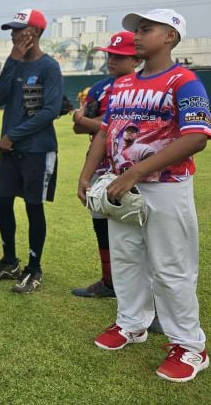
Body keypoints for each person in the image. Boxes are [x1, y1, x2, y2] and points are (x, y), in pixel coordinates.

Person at [78, 9, 209, 383]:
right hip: (122, 186)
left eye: (146, 29)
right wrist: (88, 174)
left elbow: (196, 137)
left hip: (166, 187)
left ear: (170, 36)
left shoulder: (184, 81)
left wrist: (135, 171)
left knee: (171, 267)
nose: (137, 34)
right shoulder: (122, 85)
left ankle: (190, 346)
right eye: (137, 29)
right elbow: (105, 133)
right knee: (127, 260)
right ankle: (131, 324)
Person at [0, 9, 62, 294]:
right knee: (3, 202)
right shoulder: (14, 62)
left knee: (33, 207)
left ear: (36, 32)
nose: (14, 35)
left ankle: (34, 268)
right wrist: (13, 59)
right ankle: (9, 262)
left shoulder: (49, 67)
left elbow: (51, 110)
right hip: (10, 151)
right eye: (12, 30)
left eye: (19, 29)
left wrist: (12, 136)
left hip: (37, 150)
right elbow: (0, 97)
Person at [71, 32, 141, 298]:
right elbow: (79, 127)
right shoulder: (100, 87)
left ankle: (141, 292)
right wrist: (97, 123)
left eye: (119, 55)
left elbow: (117, 127)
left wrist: (97, 122)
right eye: (110, 54)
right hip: (100, 163)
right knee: (100, 221)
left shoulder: (142, 85)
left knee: (136, 228)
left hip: (131, 165)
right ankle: (109, 281)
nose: (111, 59)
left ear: (135, 58)